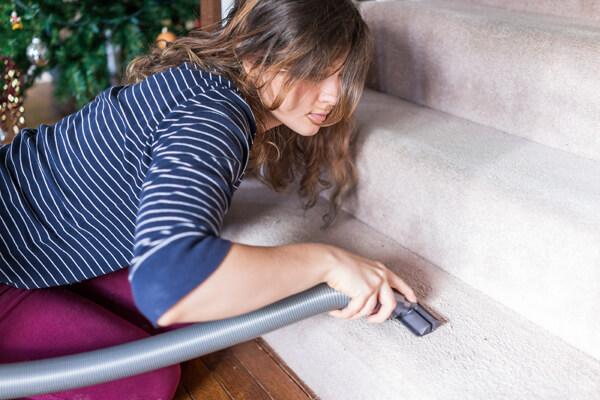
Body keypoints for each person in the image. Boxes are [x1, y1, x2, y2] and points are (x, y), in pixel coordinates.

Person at [0, 0, 418, 398]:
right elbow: (171, 283)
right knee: (143, 382)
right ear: (256, 56)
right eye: (316, 71)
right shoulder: (215, 114)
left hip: (27, 242)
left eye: (342, 77)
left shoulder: (207, 87)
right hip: (7, 261)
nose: (332, 96)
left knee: (199, 315)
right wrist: (329, 261)